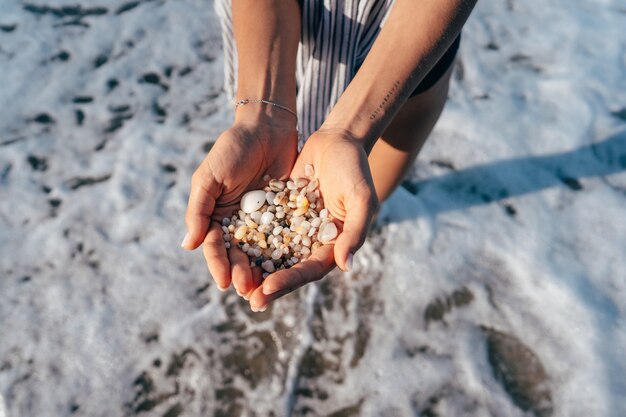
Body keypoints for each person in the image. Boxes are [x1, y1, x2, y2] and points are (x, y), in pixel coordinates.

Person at [181, 0, 477, 312]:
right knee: (352, 197)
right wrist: (260, 115)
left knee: (367, 195)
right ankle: (352, 228)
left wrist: (349, 132)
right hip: (277, 27)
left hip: (410, 29)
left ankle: (360, 227)